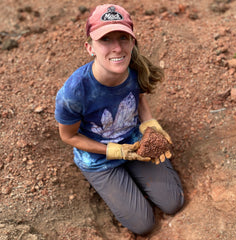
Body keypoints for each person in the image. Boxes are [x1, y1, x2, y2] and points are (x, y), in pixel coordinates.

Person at [55, 4, 184, 235]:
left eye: (123, 37)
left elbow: (139, 98)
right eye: (105, 39)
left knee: (173, 203)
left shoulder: (135, 67)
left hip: (135, 142)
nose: (117, 48)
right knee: (143, 225)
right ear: (90, 47)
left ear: (132, 41)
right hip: (98, 159)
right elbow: (68, 135)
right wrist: (115, 151)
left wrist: (150, 126)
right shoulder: (74, 93)